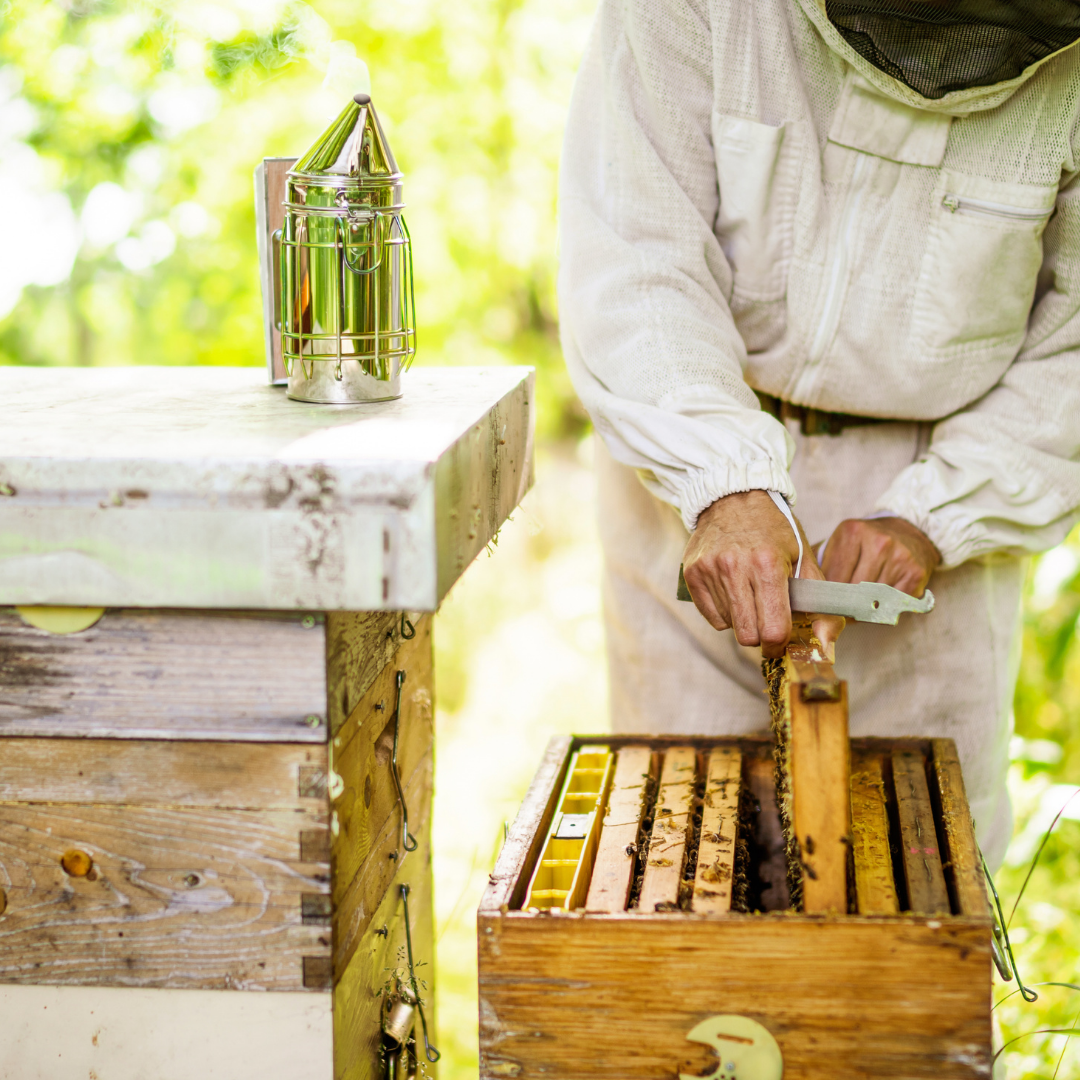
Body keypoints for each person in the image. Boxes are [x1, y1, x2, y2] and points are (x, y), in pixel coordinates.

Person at [558, 0, 1080, 868]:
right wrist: (722, 482)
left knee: (916, 903)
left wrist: (938, 516)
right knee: (686, 868)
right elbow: (637, 254)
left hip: (939, 512)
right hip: (690, 500)